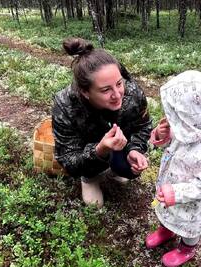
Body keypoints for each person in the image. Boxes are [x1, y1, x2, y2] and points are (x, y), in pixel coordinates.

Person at [52, 38, 152, 208]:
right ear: (85, 92)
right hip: (88, 152)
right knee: (94, 204)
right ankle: (89, 179)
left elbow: (143, 126)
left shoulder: (133, 93)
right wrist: (99, 149)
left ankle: (115, 168)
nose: (117, 94)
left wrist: (136, 148)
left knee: (128, 171)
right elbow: (68, 160)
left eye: (119, 83)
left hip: (120, 145)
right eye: (106, 90)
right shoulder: (65, 105)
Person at [146, 70, 201, 267]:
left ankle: (187, 248)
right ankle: (166, 230)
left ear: (189, 118)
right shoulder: (182, 131)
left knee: (189, 227)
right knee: (167, 212)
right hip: (169, 192)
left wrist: (178, 192)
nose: (169, 118)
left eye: (175, 115)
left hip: (193, 206)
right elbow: (167, 148)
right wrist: (160, 135)